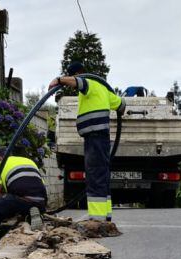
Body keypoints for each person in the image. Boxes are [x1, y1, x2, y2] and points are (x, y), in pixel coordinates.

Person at [48, 61, 125, 221]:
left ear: (76, 74)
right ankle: (106, 215)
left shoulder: (88, 84)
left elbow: (78, 82)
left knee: (95, 174)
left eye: (71, 76)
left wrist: (59, 80)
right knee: (102, 174)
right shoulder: (103, 89)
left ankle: (97, 219)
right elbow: (121, 105)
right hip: (101, 137)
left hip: (95, 136)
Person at [0, 148, 46, 251]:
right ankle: (32, 215)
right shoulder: (28, 161)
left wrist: (3, 200)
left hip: (20, 199)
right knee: (25, 201)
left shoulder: (0, 165)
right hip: (41, 200)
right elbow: (41, 184)